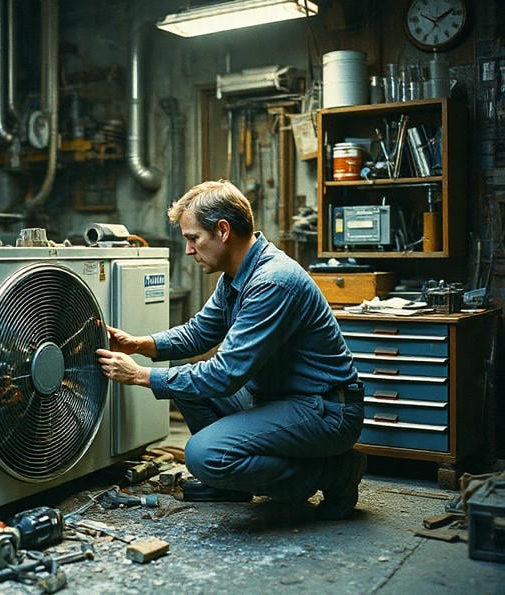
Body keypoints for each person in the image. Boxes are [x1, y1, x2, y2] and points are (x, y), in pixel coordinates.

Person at [96, 179, 366, 520]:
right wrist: (139, 344)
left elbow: (224, 375)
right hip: (279, 398)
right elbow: (198, 333)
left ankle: (334, 472)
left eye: (194, 238)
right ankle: (230, 484)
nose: (190, 250)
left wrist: (139, 376)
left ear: (223, 231)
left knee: (204, 455)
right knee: (180, 370)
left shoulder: (272, 281)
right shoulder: (236, 276)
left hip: (325, 409)